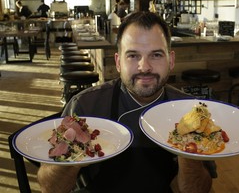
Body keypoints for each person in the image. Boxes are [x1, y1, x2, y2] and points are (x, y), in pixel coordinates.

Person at [37, 11, 214, 193]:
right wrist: (72, 152)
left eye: (156, 55)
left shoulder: (191, 112)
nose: (144, 67)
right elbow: (50, 188)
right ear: (118, 62)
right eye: (133, 56)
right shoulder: (85, 106)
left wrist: (189, 149)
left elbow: (198, 190)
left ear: (171, 61)